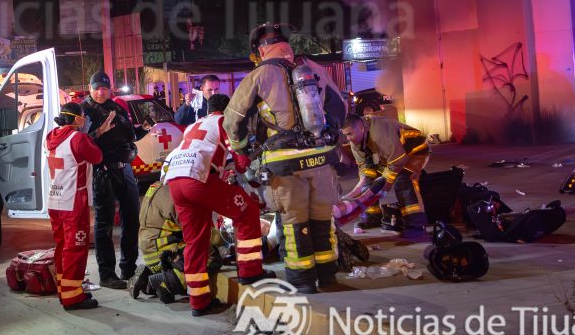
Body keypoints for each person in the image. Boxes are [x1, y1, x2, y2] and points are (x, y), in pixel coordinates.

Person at [224, 22, 341, 294]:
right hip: (321, 158)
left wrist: (240, 150)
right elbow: (339, 107)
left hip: (286, 163)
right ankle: (328, 276)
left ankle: (302, 281)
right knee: (323, 219)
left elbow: (233, 120)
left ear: (261, 49)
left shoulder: (259, 75)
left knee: (294, 221)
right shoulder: (312, 70)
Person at [165, 93, 272, 316]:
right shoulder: (225, 121)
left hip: (176, 181)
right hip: (199, 179)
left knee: (195, 240)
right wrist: (246, 161)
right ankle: (251, 270)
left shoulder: (195, 124)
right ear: (229, 108)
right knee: (247, 211)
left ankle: (199, 301)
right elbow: (240, 161)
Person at [82, 71, 149, 289]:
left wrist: (142, 130)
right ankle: (107, 274)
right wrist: (99, 131)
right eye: (97, 88)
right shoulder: (85, 111)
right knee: (105, 224)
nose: (101, 92)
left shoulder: (117, 107)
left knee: (132, 220)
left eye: (104, 88)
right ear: (90, 88)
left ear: (110, 88)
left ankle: (128, 268)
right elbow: (79, 141)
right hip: (102, 171)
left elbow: (128, 134)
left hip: (125, 170)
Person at [45, 102, 104, 311]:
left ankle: (66, 290)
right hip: (73, 202)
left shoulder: (51, 136)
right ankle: (73, 298)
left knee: (62, 248)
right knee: (75, 249)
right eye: (83, 117)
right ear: (78, 119)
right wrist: (91, 134)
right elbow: (97, 156)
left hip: (55, 199)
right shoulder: (78, 138)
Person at [340, 113, 431, 240]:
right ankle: (373, 217)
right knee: (369, 180)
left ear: (361, 128)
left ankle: (416, 225)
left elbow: (398, 161)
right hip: (389, 156)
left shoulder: (379, 133)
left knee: (403, 181)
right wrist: (366, 185)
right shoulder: (356, 140)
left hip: (413, 152)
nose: (348, 138)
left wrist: (383, 185)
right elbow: (364, 167)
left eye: (350, 134)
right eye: (345, 135)